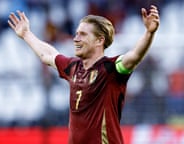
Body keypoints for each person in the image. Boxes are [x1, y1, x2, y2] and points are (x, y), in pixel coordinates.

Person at [8, 4, 160, 144]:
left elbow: (134, 56)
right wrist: (26, 34)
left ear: (99, 40)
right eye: (76, 34)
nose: (76, 39)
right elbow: (47, 55)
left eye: (82, 34)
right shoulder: (73, 67)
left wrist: (149, 33)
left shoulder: (111, 69)